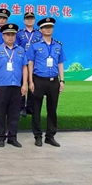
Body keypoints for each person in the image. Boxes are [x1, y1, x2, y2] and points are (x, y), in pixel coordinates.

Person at [27, 17, 65, 148]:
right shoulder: (35, 45)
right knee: (36, 109)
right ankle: (37, 136)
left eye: (50, 27)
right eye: (45, 27)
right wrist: (30, 81)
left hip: (53, 81)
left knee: (52, 110)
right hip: (38, 80)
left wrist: (62, 80)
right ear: (41, 30)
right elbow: (30, 63)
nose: (48, 29)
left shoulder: (58, 45)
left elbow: (60, 63)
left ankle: (50, 136)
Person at [0, 23, 28, 148]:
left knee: (14, 113)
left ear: (15, 36)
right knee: (1, 113)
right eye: (7, 34)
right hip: (2, 86)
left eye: (12, 34)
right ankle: (0, 137)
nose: (10, 37)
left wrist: (24, 84)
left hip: (16, 86)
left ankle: (12, 137)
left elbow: (24, 67)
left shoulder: (20, 50)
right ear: (3, 36)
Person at [17, 12, 43, 117]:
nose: (29, 20)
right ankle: (21, 107)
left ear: (34, 20)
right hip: (22, 63)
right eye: (27, 18)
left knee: (33, 84)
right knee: (22, 84)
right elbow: (16, 48)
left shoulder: (39, 34)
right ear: (24, 21)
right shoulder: (19, 34)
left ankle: (30, 107)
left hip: (35, 63)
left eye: (31, 18)